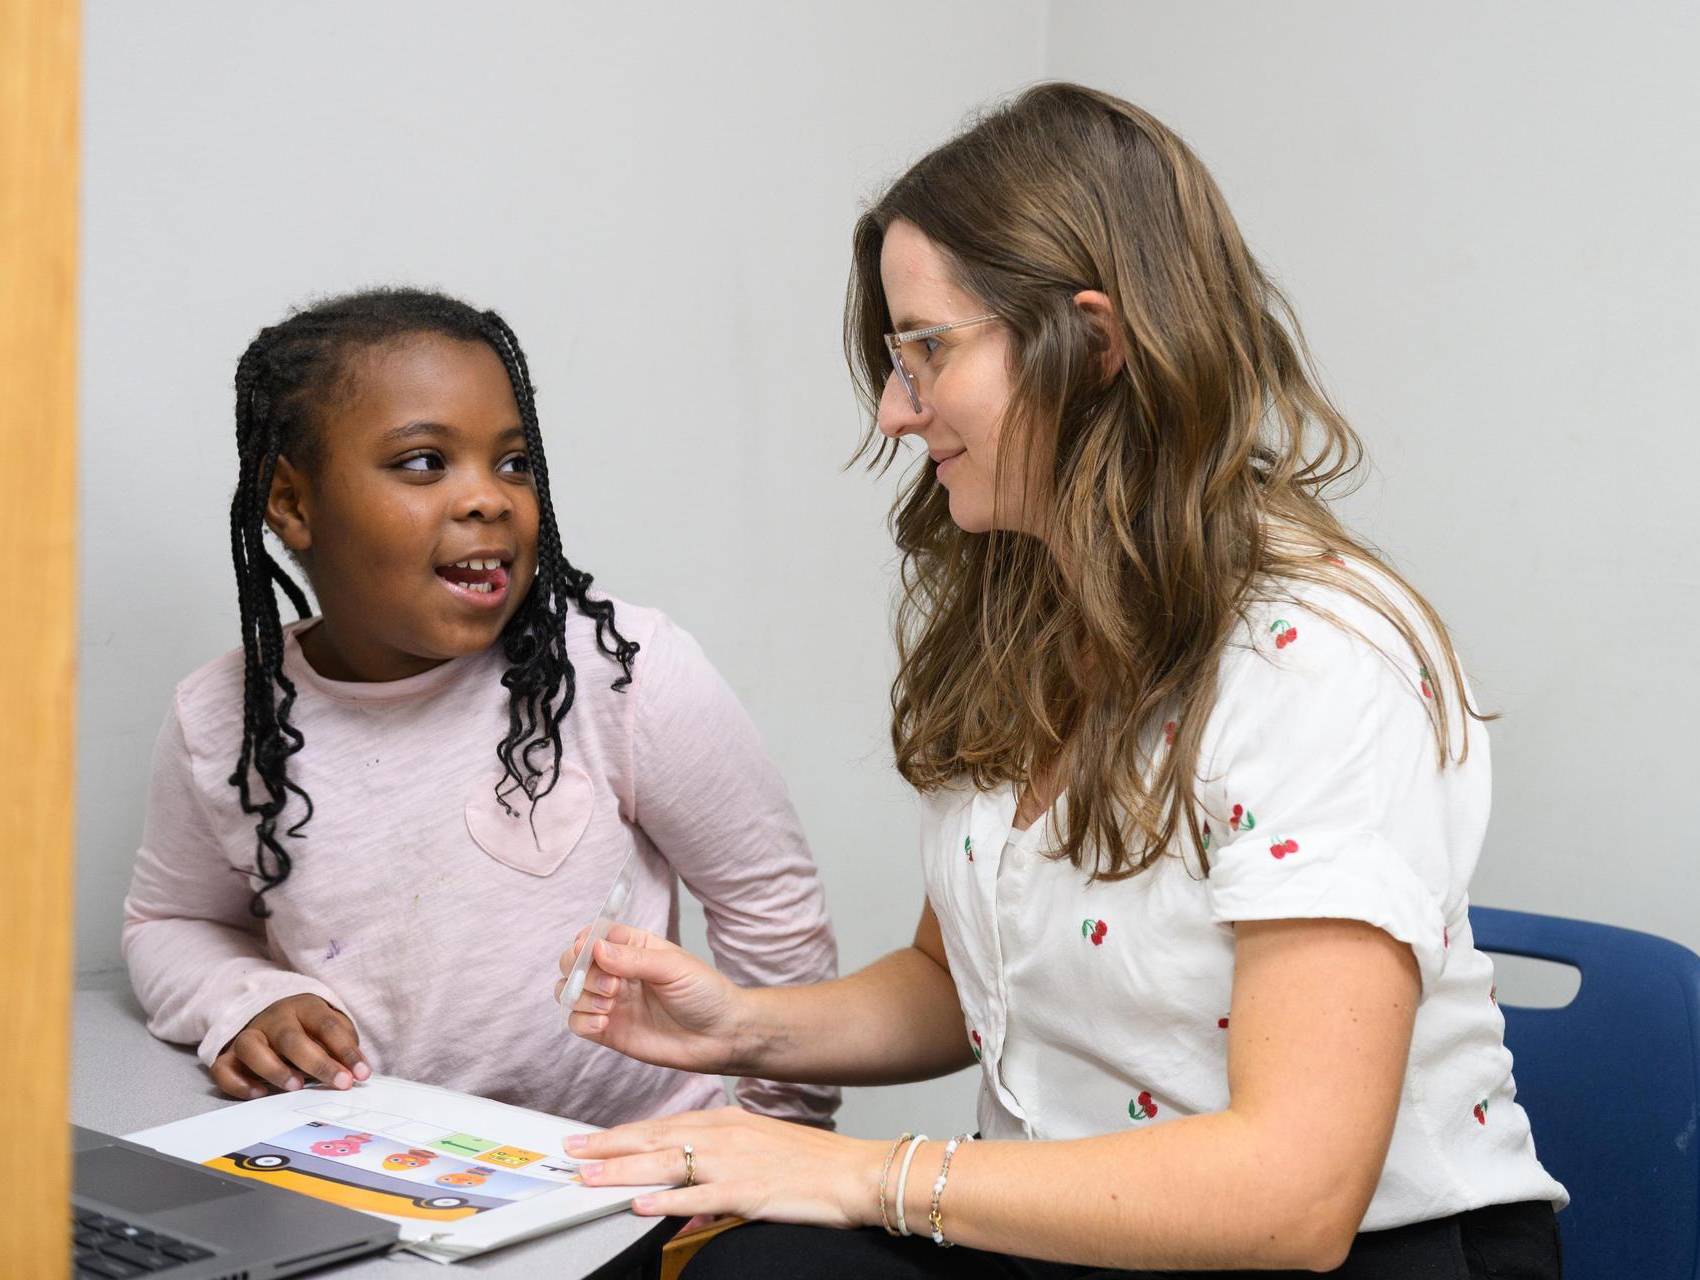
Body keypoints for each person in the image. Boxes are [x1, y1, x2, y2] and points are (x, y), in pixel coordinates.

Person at [555, 84, 1566, 1277]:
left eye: (925, 350)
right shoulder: (1025, 611)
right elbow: (960, 977)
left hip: (1345, 1252)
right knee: (735, 1264)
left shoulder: (1323, 654)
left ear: (1092, 341)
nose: (893, 410)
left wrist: (861, 1172)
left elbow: (1293, 1193)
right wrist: (745, 1022)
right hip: (1070, 1231)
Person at [123, 287, 838, 1130]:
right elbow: (170, 921)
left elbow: (771, 910)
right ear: (292, 503)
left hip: (627, 1174)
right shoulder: (225, 719)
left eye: (514, 462)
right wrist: (246, 999)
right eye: (424, 462)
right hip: (371, 1173)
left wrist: (778, 1135)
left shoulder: (621, 672)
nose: (488, 499)